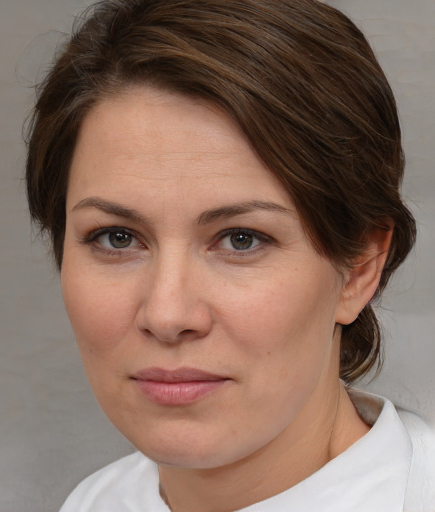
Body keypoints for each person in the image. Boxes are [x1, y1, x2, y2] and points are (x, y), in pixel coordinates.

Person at [25, 0, 435, 510]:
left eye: (242, 239)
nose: (168, 315)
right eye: (117, 238)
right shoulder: (95, 502)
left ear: (359, 268)